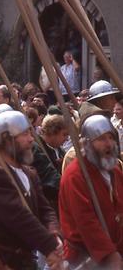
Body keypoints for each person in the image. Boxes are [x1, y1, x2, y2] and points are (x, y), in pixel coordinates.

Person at [0, 110, 63, 270]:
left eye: (30, 133)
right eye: (24, 134)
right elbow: (17, 216)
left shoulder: (29, 173)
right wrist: (49, 246)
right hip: (0, 260)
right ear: (7, 140)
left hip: (24, 259)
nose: (31, 139)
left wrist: (54, 234)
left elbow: (45, 209)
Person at [59, 114, 123, 269]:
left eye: (110, 137)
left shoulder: (115, 169)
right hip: (87, 256)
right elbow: (85, 221)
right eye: (101, 139)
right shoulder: (75, 175)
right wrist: (110, 255)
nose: (108, 144)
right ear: (87, 144)